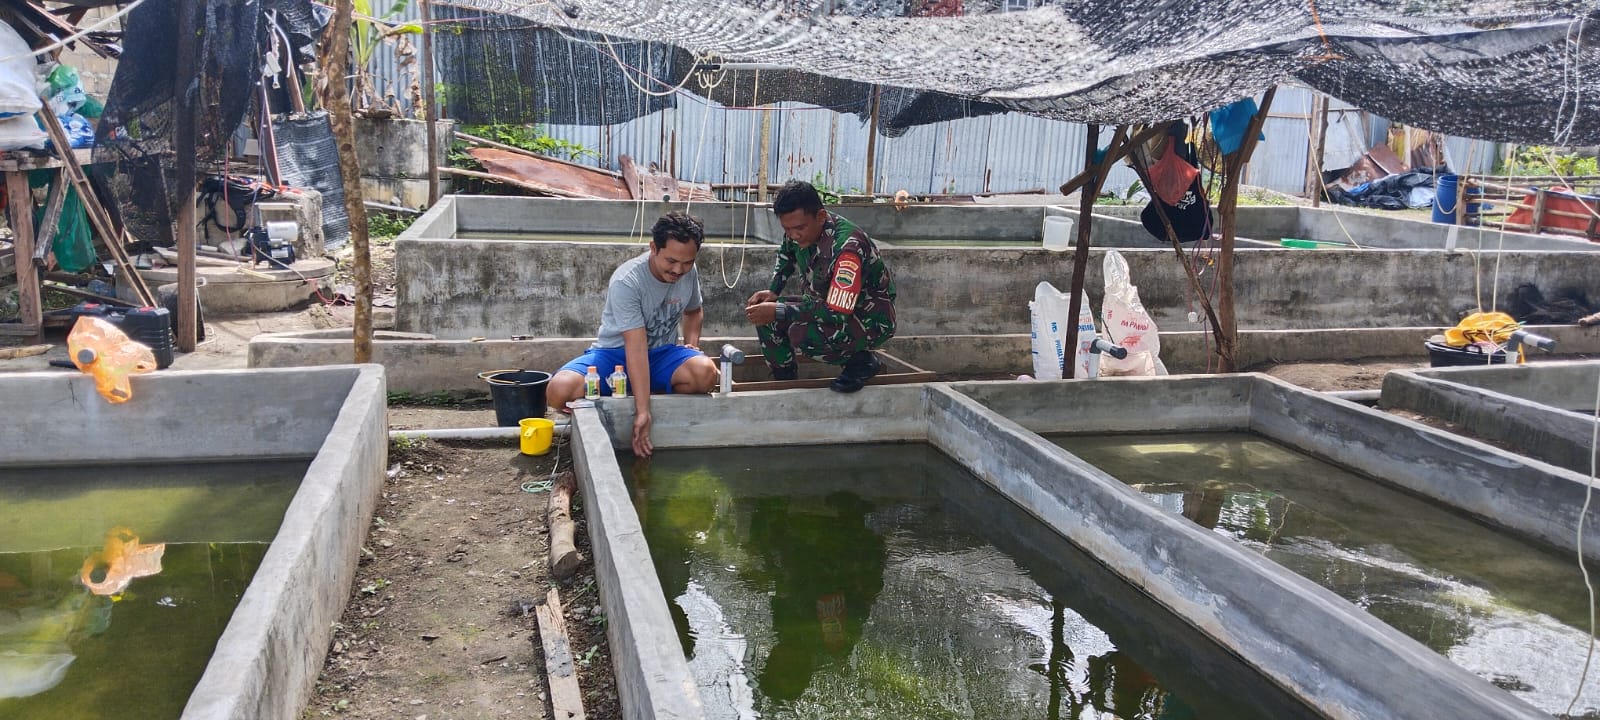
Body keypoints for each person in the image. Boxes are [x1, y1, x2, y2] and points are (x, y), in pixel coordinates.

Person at [546, 211, 719, 456]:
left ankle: (634, 390)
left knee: (705, 373)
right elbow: (635, 347)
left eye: (687, 262)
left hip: (661, 355)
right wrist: (642, 411)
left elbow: (694, 311)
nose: (679, 270)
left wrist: (691, 344)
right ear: (653, 248)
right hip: (614, 356)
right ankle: (638, 392)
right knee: (559, 391)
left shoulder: (689, 272)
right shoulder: (628, 281)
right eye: (671, 261)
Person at [743, 180, 897, 393]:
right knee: (766, 317)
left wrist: (779, 309)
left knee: (799, 331)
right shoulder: (797, 232)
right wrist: (773, 291)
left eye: (799, 228)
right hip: (825, 307)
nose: (793, 235)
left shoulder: (848, 250)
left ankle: (861, 362)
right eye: (786, 229)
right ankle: (784, 382)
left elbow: (837, 311)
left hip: (867, 320)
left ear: (821, 217)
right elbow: (786, 254)